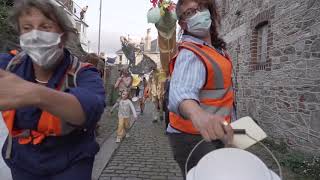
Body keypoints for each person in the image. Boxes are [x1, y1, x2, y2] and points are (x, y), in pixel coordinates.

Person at [0, 1, 105, 180]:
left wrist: (35, 94)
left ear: (62, 36)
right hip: (22, 163)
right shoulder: (10, 65)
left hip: (71, 164)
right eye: (27, 28)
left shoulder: (82, 72)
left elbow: (92, 107)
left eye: (45, 27)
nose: (35, 35)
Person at [167, 0, 234, 178]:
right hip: (193, 137)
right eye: (190, 13)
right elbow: (180, 92)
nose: (198, 14)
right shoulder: (191, 53)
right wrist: (198, 114)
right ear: (183, 23)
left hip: (213, 132)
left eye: (200, 8)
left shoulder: (216, 50)